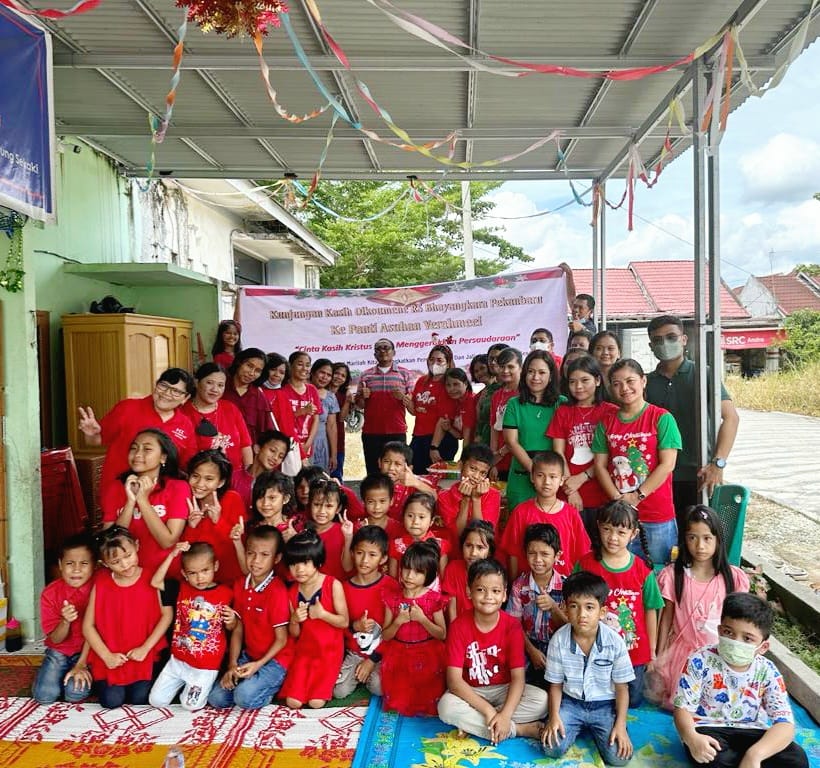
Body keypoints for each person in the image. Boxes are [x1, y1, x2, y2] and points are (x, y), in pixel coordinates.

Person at [673, 592, 809, 768]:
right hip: (710, 729)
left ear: (763, 646)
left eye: (747, 638)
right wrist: (692, 738)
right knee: (711, 757)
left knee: (796, 758)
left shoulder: (768, 671)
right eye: (729, 632)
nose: (735, 641)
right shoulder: (700, 660)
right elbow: (682, 708)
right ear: (720, 630)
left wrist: (755, 755)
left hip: (753, 731)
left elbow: (784, 723)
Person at [438, 559, 547, 743]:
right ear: (468, 592)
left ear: (504, 595)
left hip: (502, 690)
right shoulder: (458, 626)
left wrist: (505, 714)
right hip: (471, 691)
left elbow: (518, 678)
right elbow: (454, 681)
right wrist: (489, 711)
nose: (488, 596)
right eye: (480, 590)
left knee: (542, 701)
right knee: (446, 707)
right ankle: (517, 729)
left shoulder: (512, 626)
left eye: (496, 591)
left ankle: (474, 723)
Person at [652, 505, 750, 709]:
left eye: (707, 538)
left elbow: (743, 622)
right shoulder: (673, 576)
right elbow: (666, 620)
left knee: (723, 702)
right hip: (683, 656)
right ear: (684, 540)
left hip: (721, 652)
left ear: (718, 540)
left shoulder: (732, 578)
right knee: (684, 703)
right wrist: (659, 656)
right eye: (692, 537)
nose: (700, 546)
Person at [644, 315, 740, 518]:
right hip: (657, 477)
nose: (665, 344)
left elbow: (731, 418)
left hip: (698, 474)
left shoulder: (703, 374)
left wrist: (718, 463)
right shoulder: (645, 383)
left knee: (697, 540)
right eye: (658, 340)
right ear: (651, 346)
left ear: (684, 339)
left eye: (671, 337)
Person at [592, 358, 682, 567]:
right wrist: (618, 498)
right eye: (617, 383)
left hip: (657, 515)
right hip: (619, 518)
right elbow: (599, 466)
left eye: (630, 381)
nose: (624, 388)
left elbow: (667, 465)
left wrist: (637, 496)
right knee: (623, 575)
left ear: (643, 381)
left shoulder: (661, 418)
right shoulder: (606, 423)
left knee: (660, 575)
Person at [576, 501, 664, 708]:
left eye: (621, 532)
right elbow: (572, 601)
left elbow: (651, 610)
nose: (613, 537)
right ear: (598, 526)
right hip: (593, 646)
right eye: (607, 529)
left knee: (632, 700)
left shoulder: (643, 570)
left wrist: (651, 651)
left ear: (633, 534)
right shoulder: (586, 564)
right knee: (596, 695)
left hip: (632, 650)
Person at [542, 571, 634, 766]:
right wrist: (554, 717)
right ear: (565, 608)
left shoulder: (615, 642)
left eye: (590, 607)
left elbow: (622, 689)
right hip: (571, 703)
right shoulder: (559, 640)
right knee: (551, 748)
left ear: (602, 612)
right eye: (574, 606)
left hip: (604, 706)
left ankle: (606, 726)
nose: (582, 614)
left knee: (619, 758)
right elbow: (556, 685)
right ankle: (574, 726)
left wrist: (620, 724)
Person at [83, 526, 173, 708]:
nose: (125, 565)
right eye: (116, 561)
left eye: (128, 556)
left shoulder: (153, 577)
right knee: (111, 702)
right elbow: (88, 626)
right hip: (112, 655)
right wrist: (106, 655)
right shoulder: (101, 581)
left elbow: (166, 615)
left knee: (140, 699)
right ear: (105, 563)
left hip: (142, 655)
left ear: (137, 547)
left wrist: (145, 648)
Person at [207, 525, 294, 709]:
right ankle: (252, 683)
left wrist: (257, 665)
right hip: (249, 655)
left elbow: (282, 639)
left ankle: (270, 688)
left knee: (243, 698)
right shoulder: (240, 585)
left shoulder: (277, 591)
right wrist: (232, 664)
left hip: (275, 660)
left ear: (277, 558)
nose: (256, 561)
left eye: (264, 555)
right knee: (216, 698)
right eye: (251, 553)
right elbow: (238, 628)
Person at [78, 367, 197, 491]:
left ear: (186, 398)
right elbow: (95, 441)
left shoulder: (185, 424)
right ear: (156, 385)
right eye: (163, 386)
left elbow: (187, 463)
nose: (167, 393)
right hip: (120, 490)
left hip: (162, 497)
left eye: (176, 391)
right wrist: (92, 434)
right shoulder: (127, 408)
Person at [148, 541, 235, 710]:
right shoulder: (180, 588)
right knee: (156, 701)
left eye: (205, 571)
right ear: (184, 574)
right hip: (178, 661)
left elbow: (234, 629)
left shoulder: (226, 593)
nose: (199, 577)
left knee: (190, 706)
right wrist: (172, 555)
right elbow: (155, 582)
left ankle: (200, 686)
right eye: (192, 573)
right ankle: (184, 686)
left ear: (215, 566)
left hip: (205, 665)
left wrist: (232, 621)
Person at [100, 428, 191, 573]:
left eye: (147, 449)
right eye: (134, 448)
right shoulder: (116, 487)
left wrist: (142, 500)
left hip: (164, 575)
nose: (138, 454)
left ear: (163, 457)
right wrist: (130, 501)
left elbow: (167, 541)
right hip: (126, 574)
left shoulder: (179, 487)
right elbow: (111, 543)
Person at [549, 355, 618, 538]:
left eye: (585, 380)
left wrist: (582, 477)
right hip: (570, 494)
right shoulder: (563, 411)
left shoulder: (611, 412)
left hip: (604, 492)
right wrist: (572, 490)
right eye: (572, 382)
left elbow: (613, 454)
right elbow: (558, 452)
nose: (578, 387)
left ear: (597, 380)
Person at [280, 530, 348, 709]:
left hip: (329, 652)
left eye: (305, 562)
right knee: (293, 702)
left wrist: (323, 615)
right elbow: (294, 634)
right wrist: (294, 620)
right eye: (294, 564)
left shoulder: (332, 584)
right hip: (305, 652)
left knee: (316, 702)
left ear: (318, 561)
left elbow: (344, 622)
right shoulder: (292, 592)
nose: (299, 569)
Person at [380, 541, 448, 716]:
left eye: (418, 572)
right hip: (399, 654)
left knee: (430, 699)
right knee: (400, 701)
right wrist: (398, 622)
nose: (409, 575)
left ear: (429, 575)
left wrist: (422, 619)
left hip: (429, 654)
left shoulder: (433, 599)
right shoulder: (392, 598)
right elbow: (386, 636)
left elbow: (442, 634)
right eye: (407, 569)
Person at [500, 451, 590, 581]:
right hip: (526, 587)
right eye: (540, 475)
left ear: (561, 480)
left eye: (553, 477)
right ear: (532, 477)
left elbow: (581, 554)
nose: (547, 482)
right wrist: (513, 584)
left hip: (563, 586)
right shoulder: (521, 512)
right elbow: (513, 553)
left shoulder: (571, 513)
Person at [333, 526, 397, 699]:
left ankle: (370, 675)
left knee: (379, 687)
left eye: (372, 555)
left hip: (382, 653)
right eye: (360, 553)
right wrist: (355, 626)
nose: (364, 560)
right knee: (339, 692)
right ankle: (361, 674)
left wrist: (372, 660)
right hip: (354, 652)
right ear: (352, 553)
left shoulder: (391, 587)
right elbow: (339, 625)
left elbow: (395, 631)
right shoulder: (343, 588)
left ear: (383, 558)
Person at [33, 533, 96, 704]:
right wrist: (65, 621)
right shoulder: (50, 593)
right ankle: (57, 672)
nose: (76, 569)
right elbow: (55, 638)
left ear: (94, 566)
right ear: (60, 565)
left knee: (73, 694)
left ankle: (85, 675)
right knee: (44, 696)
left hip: (89, 653)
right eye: (69, 563)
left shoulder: (100, 588)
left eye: (84, 563)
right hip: (59, 651)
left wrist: (82, 664)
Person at [503, 349, 566, 510]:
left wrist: (545, 476)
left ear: (551, 376)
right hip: (522, 476)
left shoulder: (562, 403)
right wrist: (535, 471)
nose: (535, 377)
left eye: (542, 372)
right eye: (530, 371)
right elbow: (511, 442)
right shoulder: (514, 404)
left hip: (553, 480)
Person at [507, 523, 567, 688]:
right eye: (532, 553)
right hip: (527, 643)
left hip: (558, 645)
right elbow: (513, 624)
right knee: (518, 683)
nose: (538, 559)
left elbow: (571, 628)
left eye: (545, 554)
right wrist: (531, 650)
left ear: (557, 555)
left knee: (560, 686)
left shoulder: (566, 586)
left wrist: (553, 607)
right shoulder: (520, 585)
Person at [183, 449, 247, 583]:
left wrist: (218, 521)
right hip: (198, 585)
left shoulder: (232, 499)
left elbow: (237, 544)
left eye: (209, 479)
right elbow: (187, 553)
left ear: (221, 482)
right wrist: (191, 527)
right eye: (195, 476)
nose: (200, 484)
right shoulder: (185, 500)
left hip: (229, 583)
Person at [355, 338, 414, 476]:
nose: (383, 351)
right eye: (378, 348)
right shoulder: (366, 375)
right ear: (374, 354)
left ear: (394, 352)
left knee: (397, 472)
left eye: (386, 348)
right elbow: (359, 405)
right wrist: (363, 397)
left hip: (396, 430)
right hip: (371, 432)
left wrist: (403, 397)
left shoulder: (405, 374)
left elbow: (412, 406)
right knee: (374, 471)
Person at [182, 362, 253, 473]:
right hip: (200, 480)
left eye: (220, 385)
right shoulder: (183, 413)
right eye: (210, 383)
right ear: (196, 382)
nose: (215, 389)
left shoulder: (230, 408)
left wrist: (248, 476)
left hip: (235, 476)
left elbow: (245, 445)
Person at [435, 443, 501, 541]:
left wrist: (476, 499)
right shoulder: (444, 497)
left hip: (483, 552)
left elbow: (482, 538)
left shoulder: (493, 495)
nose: (476, 476)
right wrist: (465, 500)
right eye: (473, 469)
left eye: (483, 473)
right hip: (455, 551)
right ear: (460, 466)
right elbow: (458, 535)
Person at [408, 345, 457, 474]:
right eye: (431, 359)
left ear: (448, 363)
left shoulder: (449, 384)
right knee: (416, 478)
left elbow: (443, 419)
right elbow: (415, 411)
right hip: (418, 437)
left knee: (437, 482)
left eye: (439, 360)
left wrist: (434, 447)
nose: (434, 363)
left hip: (440, 440)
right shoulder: (422, 381)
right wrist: (406, 401)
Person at [442, 520, 495, 621]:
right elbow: (452, 607)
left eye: (480, 547)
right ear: (462, 546)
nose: (473, 553)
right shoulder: (453, 568)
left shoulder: (493, 575)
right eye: (468, 545)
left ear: (489, 552)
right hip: (459, 625)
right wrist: (455, 630)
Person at [388, 492, 449, 578]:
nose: (415, 522)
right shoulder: (396, 545)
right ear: (403, 517)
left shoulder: (440, 546)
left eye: (421, 517)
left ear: (432, 521)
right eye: (410, 516)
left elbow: (443, 578)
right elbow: (392, 579)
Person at [231, 429, 292, 510]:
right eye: (272, 451)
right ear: (257, 449)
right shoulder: (233, 478)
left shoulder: (278, 485)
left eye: (281, 456)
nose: (275, 458)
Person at [306, 477, 353, 582]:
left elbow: (348, 567)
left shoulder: (343, 532)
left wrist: (348, 538)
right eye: (317, 504)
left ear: (338, 508)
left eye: (329, 506)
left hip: (337, 590)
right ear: (310, 504)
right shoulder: (304, 531)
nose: (322, 511)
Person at [377, 441, 438, 519]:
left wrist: (415, 483)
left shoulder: (417, 482)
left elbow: (435, 497)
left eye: (398, 464)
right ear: (379, 462)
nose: (391, 468)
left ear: (409, 468)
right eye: (386, 462)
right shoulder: (374, 483)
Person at [223, 348, 272, 445]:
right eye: (249, 366)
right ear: (239, 362)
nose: (251, 373)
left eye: (257, 371)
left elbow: (266, 431)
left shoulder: (259, 397)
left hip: (248, 452)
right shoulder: (221, 386)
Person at [281, 351, 322, 462]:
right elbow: (280, 420)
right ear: (290, 366)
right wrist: (301, 411)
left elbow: (316, 419)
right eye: (300, 364)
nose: (304, 368)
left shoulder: (312, 389)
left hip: (306, 444)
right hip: (286, 444)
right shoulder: (282, 390)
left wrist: (308, 443)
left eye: (308, 365)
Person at [430, 367, 476, 464]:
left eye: (456, 384)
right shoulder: (456, 401)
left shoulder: (470, 401)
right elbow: (460, 436)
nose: (451, 389)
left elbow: (467, 436)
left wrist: (464, 459)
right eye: (448, 385)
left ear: (466, 384)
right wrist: (450, 428)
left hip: (476, 449)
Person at [490, 347, 523, 480]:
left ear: (520, 367)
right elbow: (494, 428)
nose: (505, 371)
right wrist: (493, 460)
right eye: (502, 366)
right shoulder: (497, 395)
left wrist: (501, 453)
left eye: (510, 366)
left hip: (519, 459)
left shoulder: (524, 394)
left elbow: (523, 430)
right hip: (499, 461)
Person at [307, 358, 340, 473]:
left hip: (321, 445)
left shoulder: (330, 397)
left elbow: (331, 427)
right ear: (313, 372)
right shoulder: (300, 391)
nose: (325, 377)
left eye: (329, 375)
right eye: (322, 372)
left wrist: (334, 455)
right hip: (302, 442)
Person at [474, 343, 509, 447]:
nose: (493, 362)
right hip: (487, 444)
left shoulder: (515, 388)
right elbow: (481, 420)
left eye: (498, 358)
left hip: (508, 446)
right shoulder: (488, 390)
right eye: (491, 359)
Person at [354, 473, 404, 543]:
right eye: (371, 502)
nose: (377, 507)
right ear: (364, 502)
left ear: (391, 501)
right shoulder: (357, 528)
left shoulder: (399, 529)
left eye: (382, 501)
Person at [329, 362, 353, 480]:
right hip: (320, 439)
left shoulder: (344, 395)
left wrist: (348, 401)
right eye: (336, 373)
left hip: (337, 439)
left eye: (343, 375)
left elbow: (341, 418)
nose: (339, 377)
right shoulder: (319, 391)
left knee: (336, 475)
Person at [590, 330, 621, 395]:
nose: (605, 353)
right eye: (599, 348)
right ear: (591, 352)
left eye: (610, 348)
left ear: (619, 353)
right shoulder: (587, 377)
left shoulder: (625, 376)